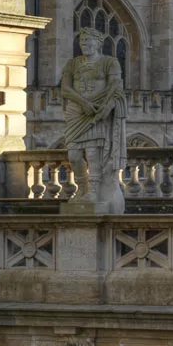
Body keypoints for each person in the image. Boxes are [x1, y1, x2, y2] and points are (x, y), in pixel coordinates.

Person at [58, 28, 128, 214]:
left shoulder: (109, 62)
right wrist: (84, 103)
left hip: (97, 111)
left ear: (98, 43)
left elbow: (115, 86)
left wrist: (103, 106)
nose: (84, 46)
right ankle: (82, 187)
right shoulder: (73, 64)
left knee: (92, 154)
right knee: (73, 154)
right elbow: (65, 88)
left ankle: (94, 191)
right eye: (81, 43)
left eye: (88, 42)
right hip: (77, 111)